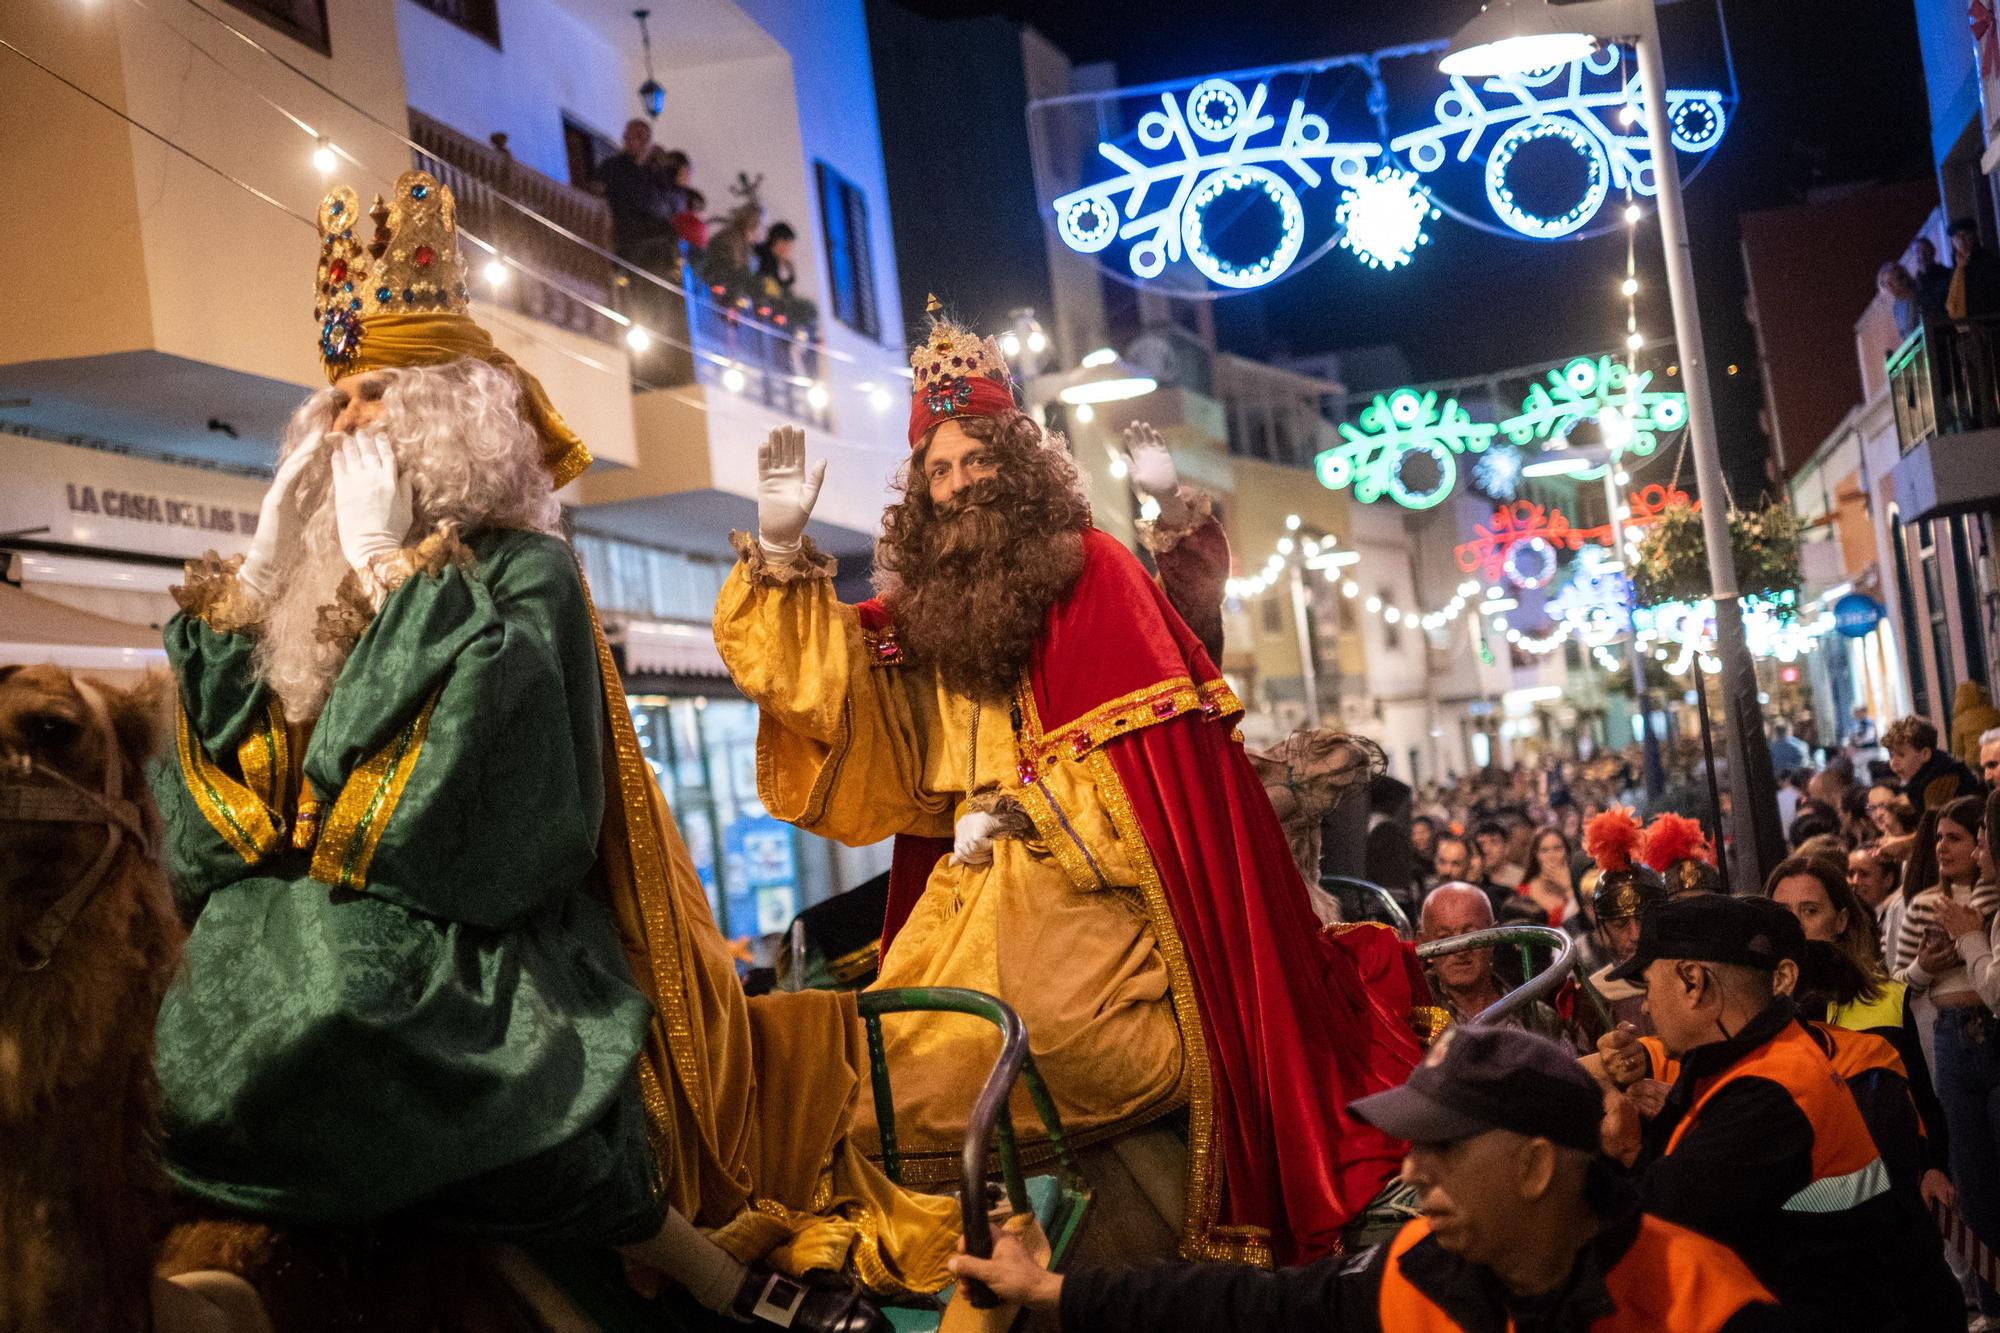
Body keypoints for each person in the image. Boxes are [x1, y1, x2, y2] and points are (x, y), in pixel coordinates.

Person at [156, 170, 955, 1329]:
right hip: (318, 917)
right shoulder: (313, 574)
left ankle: (707, 1273)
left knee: (336, 1014)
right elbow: (227, 814)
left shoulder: (521, 572)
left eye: (377, 394)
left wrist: (390, 570)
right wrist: (269, 577)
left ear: (450, 409)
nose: (349, 425)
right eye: (337, 401)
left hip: (478, 932)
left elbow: (467, 808)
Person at [712, 301, 1427, 1265]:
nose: (960, 484)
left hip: (1098, 877)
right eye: (940, 468)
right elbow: (828, 678)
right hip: (968, 887)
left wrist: (1020, 812)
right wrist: (782, 549)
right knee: (894, 1061)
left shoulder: (1090, 566)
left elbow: (1158, 765)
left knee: (1047, 1044)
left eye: (976, 460)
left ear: (1018, 462)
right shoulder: (928, 605)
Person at [950, 1026, 1789, 1332]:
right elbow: (1244, 1306)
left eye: (1443, 1147)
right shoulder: (1412, 1270)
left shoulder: (1708, 1307)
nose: (1409, 1170)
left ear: (1536, 1165)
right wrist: (1056, 1290)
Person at [1599, 895, 1953, 1330]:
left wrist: (1625, 1150)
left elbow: (1652, 1226)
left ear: (1693, 982)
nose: (1648, 1007)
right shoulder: (1758, 1060)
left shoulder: (1773, 1092)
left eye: (1649, 986)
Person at [1764, 854, 1951, 1214]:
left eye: (1810, 911)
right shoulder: (1755, 1018)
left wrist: (1933, 1168)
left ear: (1842, 920)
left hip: (1895, 1202)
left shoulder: (1889, 998)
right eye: (1784, 914)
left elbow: (1924, 1100)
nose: (1796, 927)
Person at [1896, 795, 2000, 1322]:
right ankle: (1989, 1302)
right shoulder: (1919, 906)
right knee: (1972, 1183)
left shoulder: (1992, 897)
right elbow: (1896, 985)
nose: (1944, 847)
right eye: (1937, 837)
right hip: (1952, 1037)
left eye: (1957, 837)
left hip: (1994, 1029)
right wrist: (1924, 965)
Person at [1417, 884, 1577, 1048]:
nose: (1460, 950)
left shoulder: (1541, 1018)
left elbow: (1566, 1072)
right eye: (1444, 938)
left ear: (1494, 936)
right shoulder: (1411, 1016)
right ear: (1424, 943)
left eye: (1471, 935)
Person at [594, 118, 674, 267]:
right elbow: (596, 193)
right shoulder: (613, 166)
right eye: (637, 136)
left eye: (646, 137)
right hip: (625, 233)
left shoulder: (655, 173)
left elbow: (665, 204)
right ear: (625, 139)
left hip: (652, 235)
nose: (643, 142)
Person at [1847, 845, 1905, 964]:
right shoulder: (1845, 919)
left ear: (1888, 879)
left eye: (1864, 874)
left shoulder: (1897, 919)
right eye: (1851, 874)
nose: (1855, 881)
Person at [1516, 826, 1581, 929]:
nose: (1551, 856)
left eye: (1557, 849)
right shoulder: (1522, 891)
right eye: (1544, 850)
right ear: (1536, 856)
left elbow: (1582, 924)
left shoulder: (1578, 887)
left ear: (1567, 852)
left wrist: (1568, 887)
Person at [1912, 236, 1953, 327]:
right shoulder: (1914, 286)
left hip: (1952, 325)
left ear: (1933, 251)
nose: (1922, 254)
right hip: (1931, 331)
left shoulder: (1948, 274)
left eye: (1925, 249)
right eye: (1917, 251)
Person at [1879, 261, 1920, 339]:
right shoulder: (1896, 308)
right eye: (1887, 284)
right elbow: (1903, 334)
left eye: (1891, 282)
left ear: (1903, 279)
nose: (1889, 287)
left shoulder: (1919, 295)